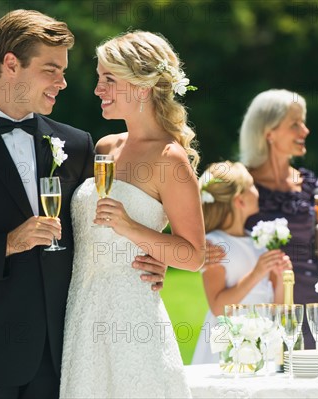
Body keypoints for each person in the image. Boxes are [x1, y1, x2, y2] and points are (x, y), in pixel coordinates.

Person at [0, 11, 165, 398]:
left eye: (63, 71)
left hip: (65, 354)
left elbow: (95, 225)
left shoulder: (78, 145)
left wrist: (149, 257)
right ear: (11, 64)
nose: (63, 83)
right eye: (51, 70)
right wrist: (10, 242)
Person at [59, 31, 205, 398]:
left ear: (142, 88)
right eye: (99, 77)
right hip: (82, 314)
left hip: (133, 323)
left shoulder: (169, 159)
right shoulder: (106, 147)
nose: (97, 89)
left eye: (109, 79)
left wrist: (131, 228)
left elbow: (194, 255)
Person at [238, 89, 318, 349]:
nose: (305, 131)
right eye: (295, 124)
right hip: (260, 309)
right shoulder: (240, 185)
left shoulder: (313, 186)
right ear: (269, 132)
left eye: (304, 122)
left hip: (314, 306)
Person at [191, 161, 290, 364]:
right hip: (229, 344)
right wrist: (256, 273)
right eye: (252, 185)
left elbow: (277, 306)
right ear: (240, 201)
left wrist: (282, 278)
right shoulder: (215, 245)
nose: (257, 190)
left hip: (263, 340)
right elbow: (219, 308)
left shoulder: (258, 243)